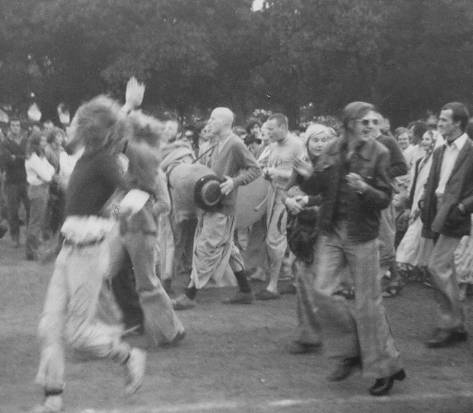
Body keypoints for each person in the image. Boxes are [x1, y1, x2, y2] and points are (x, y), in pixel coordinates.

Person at [33, 96, 146, 413]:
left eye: (76, 123)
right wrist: (125, 106)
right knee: (48, 328)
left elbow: (135, 190)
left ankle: (128, 355)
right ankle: (53, 398)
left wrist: (120, 211)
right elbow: (100, 126)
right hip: (68, 251)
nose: (69, 128)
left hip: (88, 254)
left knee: (79, 335)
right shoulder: (85, 154)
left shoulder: (103, 160)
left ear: (89, 130)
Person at [310, 102, 404, 396]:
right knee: (322, 292)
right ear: (349, 122)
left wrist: (365, 188)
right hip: (331, 231)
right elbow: (316, 186)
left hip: (361, 235)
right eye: (364, 122)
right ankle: (351, 351)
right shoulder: (332, 149)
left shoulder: (380, 152)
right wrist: (302, 175)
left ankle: (382, 369)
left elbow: (385, 198)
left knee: (368, 304)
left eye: (373, 122)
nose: (370, 127)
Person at [173, 107, 261, 309]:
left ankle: (190, 295)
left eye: (213, 119)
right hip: (211, 205)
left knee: (206, 248)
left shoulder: (236, 144)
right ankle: (246, 290)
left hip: (223, 208)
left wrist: (235, 182)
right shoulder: (215, 143)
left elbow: (255, 169)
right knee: (228, 249)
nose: (209, 122)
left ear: (224, 122)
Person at [421, 102, 473, 348]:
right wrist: (423, 199)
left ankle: (448, 324)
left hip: (454, 213)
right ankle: (458, 324)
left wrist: (463, 207)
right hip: (436, 211)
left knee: (436, 266)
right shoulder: (441, 150)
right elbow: (435, 180)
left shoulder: (471, 150)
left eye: (443, 120)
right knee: (446, 269)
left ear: (458, 124)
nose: (438, 124)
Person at [284, 123, 335, 354]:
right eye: (315, 139)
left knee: (318, 282)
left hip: (327, 229)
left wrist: (306, 201)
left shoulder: (334, 165)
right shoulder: (301, 163)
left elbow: (331, 196)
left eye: (324, 139)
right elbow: (287, 189)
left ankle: (322, 332)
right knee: (304, 278)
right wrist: (289, 200)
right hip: (304, 230)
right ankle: (310, 333)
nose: (320, 144)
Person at [255, 113, 305, 300]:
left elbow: (302, 172)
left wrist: (275, 172)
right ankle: (295, 281)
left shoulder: (297, 144)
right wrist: (268, 173)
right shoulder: (273, 146)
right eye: (267, 129)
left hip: (292, 198)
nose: (268, 132)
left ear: (283, 127)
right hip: (275, 196)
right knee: (284, 241)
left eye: (271, 128)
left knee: (274, 240)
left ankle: (273, 286)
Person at [396, 130, 436, 282]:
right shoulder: (421, 160)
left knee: (416, 234)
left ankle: (404, 266)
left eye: (428, 139)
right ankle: (412, 267)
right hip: (415, 202)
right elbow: (414, 184)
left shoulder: (435, 161)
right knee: (414, 232)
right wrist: (410, 204)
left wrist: (422, 203)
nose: (425, 142)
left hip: (425, 204)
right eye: (424, 139)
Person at [24, 131, 55, 260]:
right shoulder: (33, 158)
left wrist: (46, 174)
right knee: (35, 222)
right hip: (37, 189)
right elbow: (48, 176)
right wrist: (46, 175)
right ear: (36, 142)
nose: (44, 143)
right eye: (42, 141)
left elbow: (51, 169)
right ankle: (31, 251)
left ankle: (34, 248)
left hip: (42, 189)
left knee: (39, 220)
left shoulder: (40, 156)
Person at [0, 118, 29, 247]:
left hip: (26, 180)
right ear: (9, 127)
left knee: (30, 210)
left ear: (20, 127)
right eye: (13, 125)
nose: (15, 127)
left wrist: (15, 157)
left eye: (17, 125)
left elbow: (29, 157)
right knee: (13, 211)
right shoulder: (5, 142)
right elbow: (6, 159)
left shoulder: (26, 141)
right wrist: (21, 157)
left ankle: (30, 237)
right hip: (11, 182)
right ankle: (15, 237)